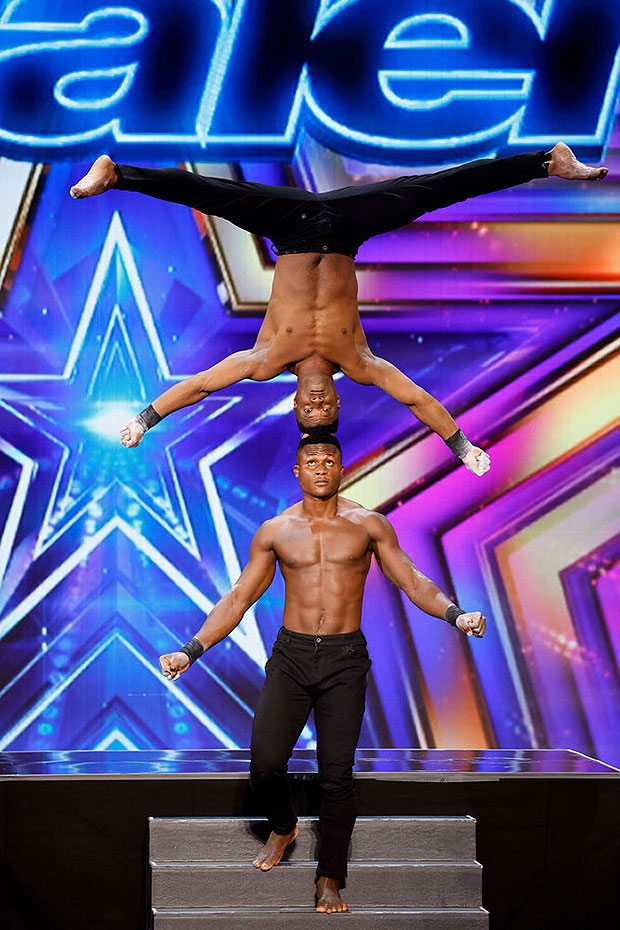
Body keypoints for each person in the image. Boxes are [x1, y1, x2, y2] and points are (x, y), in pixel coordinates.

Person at [70, 143, 606, 477]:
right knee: (433, 190)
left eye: (309, 413)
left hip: (291, 229)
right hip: (347, 229)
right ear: (336, 402)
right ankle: (545, 162)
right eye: (327, 411)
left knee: (214, 193)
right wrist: (462, 448)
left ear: (297, 404)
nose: (318, 405)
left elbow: (199, 386)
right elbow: (417, 399)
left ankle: (117, 174)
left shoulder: (265, 360)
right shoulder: (359, 362)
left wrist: (144, 420)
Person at [159, 431, 486, 914]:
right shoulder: (275, 530)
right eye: (311, 461)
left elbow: (412, 580)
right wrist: (191, 651)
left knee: (336, 776)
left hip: (344, 659)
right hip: (291, 657)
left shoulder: (368, 525)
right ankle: (284, 825)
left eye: (329, 461)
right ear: (298, 471)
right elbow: (238, 598)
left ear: (341, 469)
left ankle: (329, 878)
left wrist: (456, 615)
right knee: (264, 763)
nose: (320, 468)